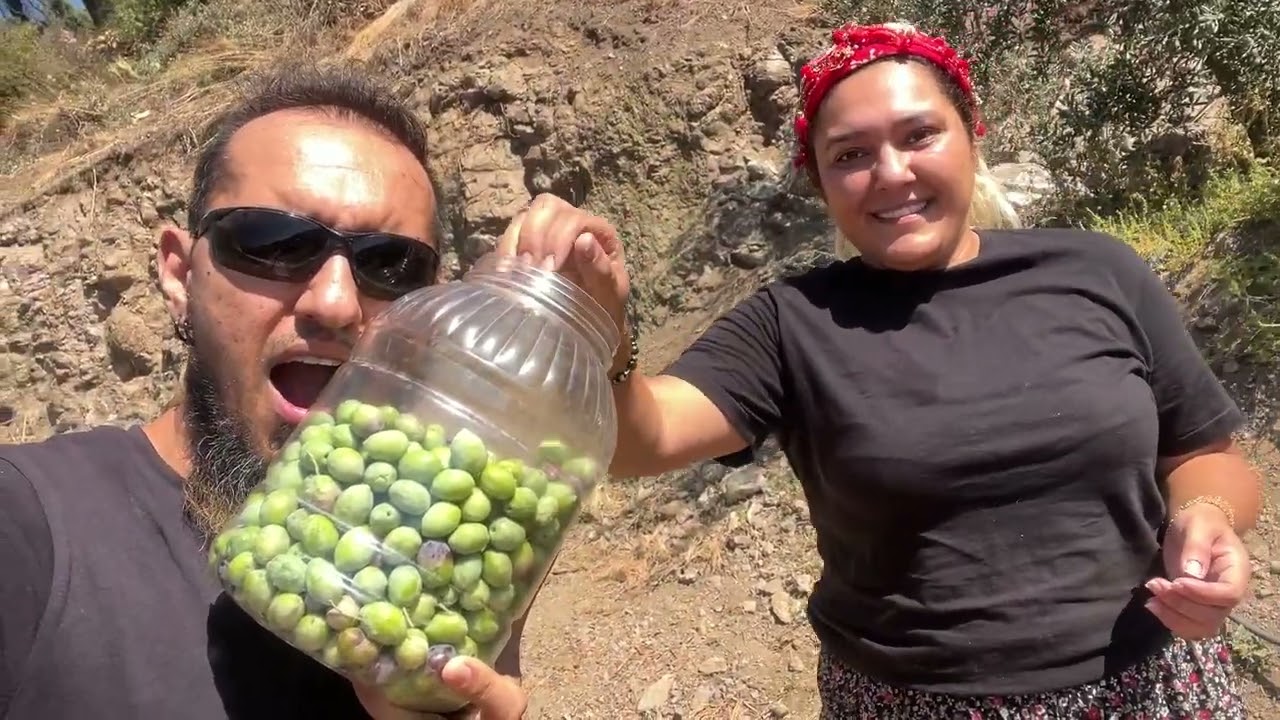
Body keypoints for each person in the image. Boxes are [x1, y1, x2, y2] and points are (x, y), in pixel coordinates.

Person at [497, 21, 1263, 719]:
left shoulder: (1099, 272)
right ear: (821, 183)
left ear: (971, 135)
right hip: (909, 703)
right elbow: (643, 440)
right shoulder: (792, 323)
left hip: (1151, 686)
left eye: (919, 135)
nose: (890, 174)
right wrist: (598, 321)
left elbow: (1206, 455)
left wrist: (1209, 519)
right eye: (851, 155)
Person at [0, 64, 528, 720]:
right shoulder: (26, 525)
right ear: (178, 273)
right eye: (275, 241)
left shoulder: (439, 567)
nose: (336, 303)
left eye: (392, 265)